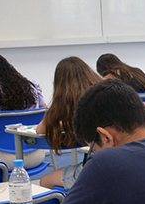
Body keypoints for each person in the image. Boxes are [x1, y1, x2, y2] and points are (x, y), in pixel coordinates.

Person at [37, 57, 103, 190]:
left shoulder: (64, 103)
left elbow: (40, 130)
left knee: (45, 180)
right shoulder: (104, 92)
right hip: (120, 159)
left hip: (99, 166)